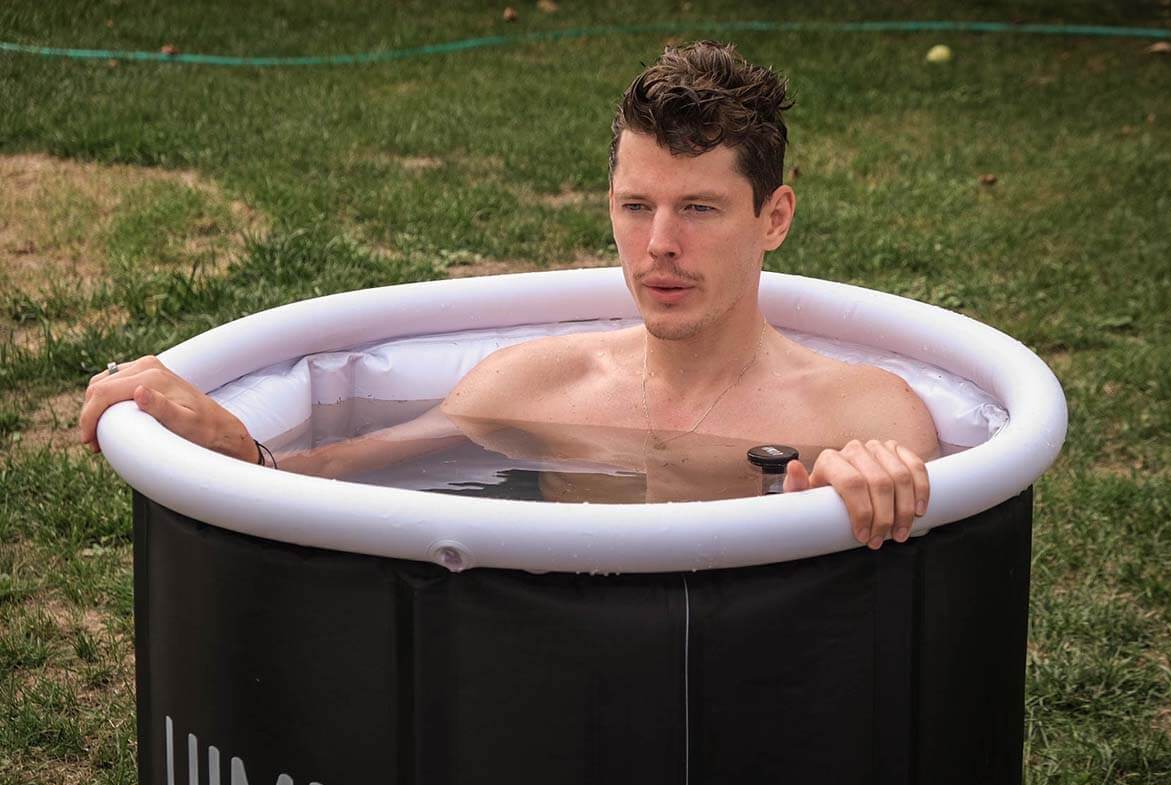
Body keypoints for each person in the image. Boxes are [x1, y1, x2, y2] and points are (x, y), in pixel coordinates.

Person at [79, 41, 936, 550]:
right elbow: (320, 487)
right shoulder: (532, 387)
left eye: (700, 209)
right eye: (636, 207)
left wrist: (878, 486)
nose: (660, 245)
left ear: (774, 217)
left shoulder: (864, 413)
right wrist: (226, 438)